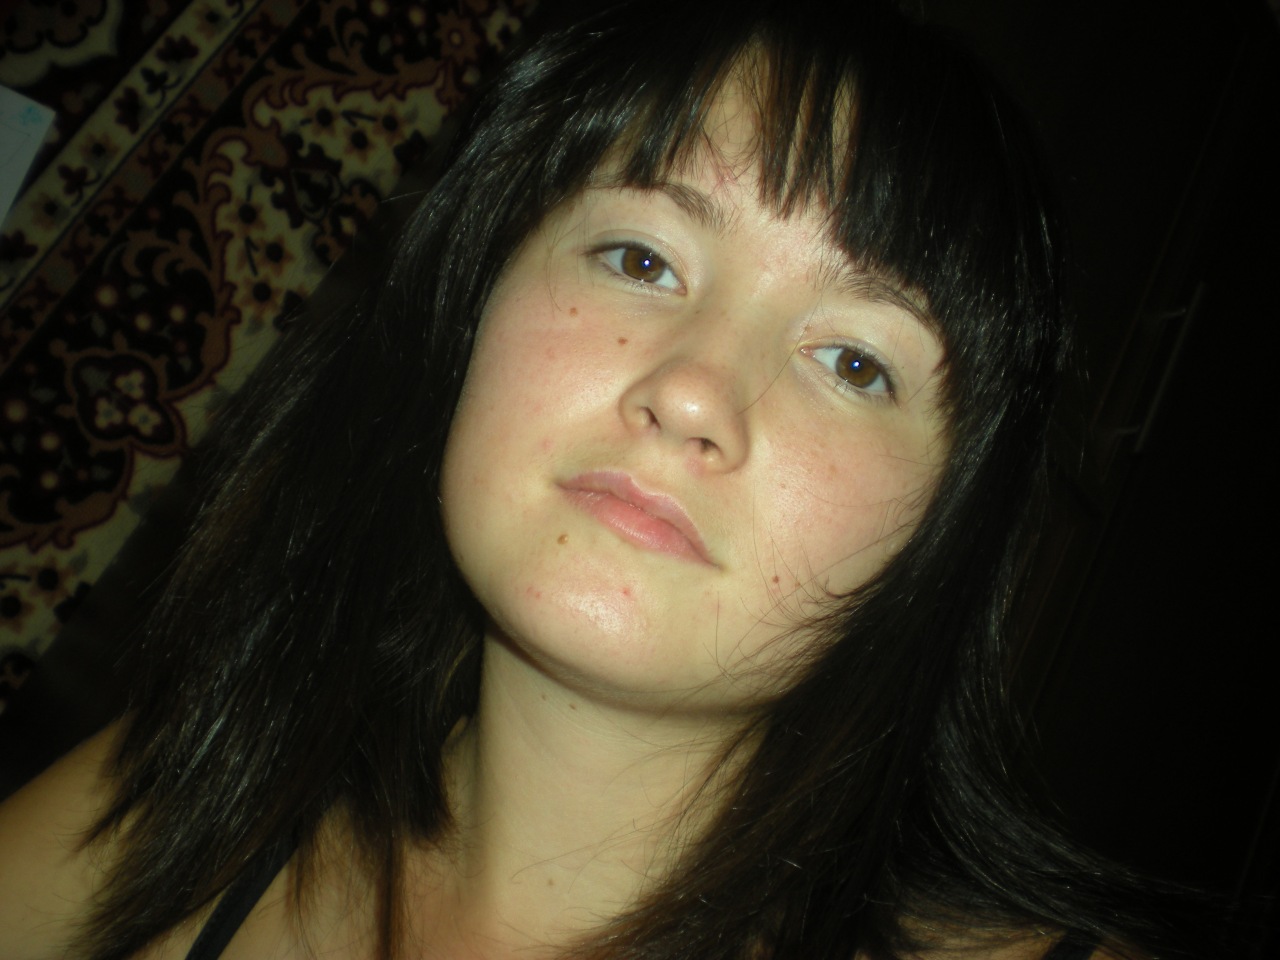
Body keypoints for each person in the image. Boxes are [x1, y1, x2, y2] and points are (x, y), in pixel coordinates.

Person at [0, 1, 1231, 958]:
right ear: (470, 305)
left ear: (938, 537)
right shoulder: (186, 793)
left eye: (855, 361)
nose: (692, 391)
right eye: (641, 257)